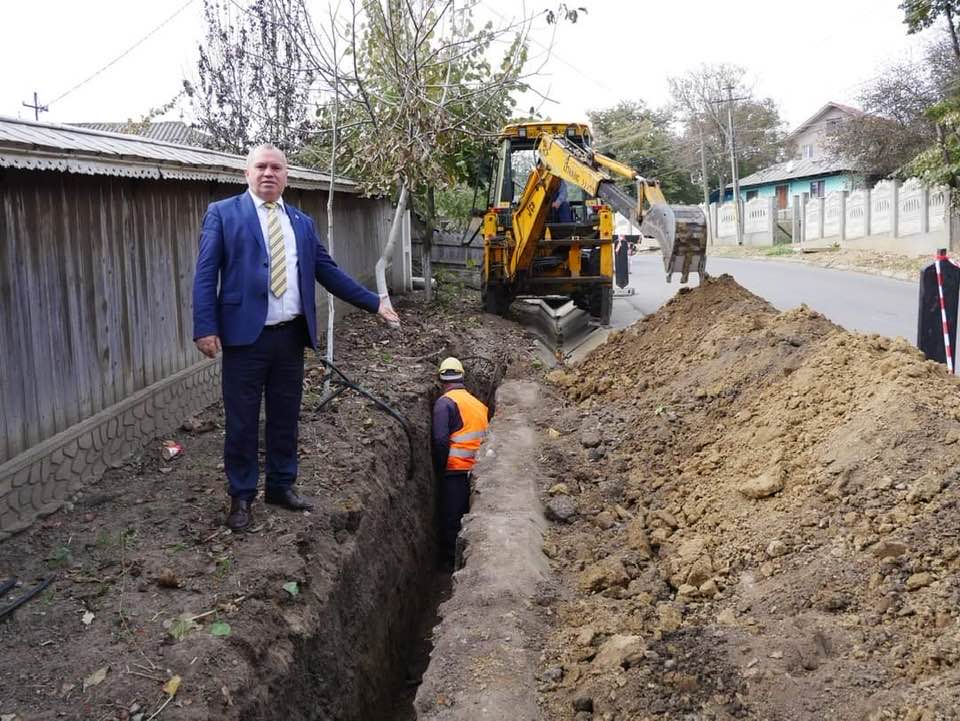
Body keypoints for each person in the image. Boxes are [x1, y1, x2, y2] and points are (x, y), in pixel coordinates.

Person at [193, 143, 400, 531]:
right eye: (261, 167)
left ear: (286, 175)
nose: (269, 173)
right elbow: (206, 274)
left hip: (290, 337)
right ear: (247, 173)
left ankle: (280, 486)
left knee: (285, 417)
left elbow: (329, 272)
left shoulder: (301, 224)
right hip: (244, 339)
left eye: (276, 168)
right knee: (241, 421)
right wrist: (205, 327)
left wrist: (375, 302)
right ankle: (241, 496)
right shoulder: (223, 214)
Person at [431, 357, 489, 569]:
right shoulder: (478, 405)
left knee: (452, 519)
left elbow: (439, 440)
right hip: (479, 470)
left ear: (441, 379)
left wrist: (438, 468)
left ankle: (450, 565)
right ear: (462, 377)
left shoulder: (444, 404)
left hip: (456, 470)